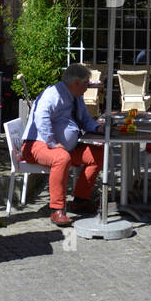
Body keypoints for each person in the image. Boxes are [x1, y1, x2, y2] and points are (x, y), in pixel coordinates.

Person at [20, 63, 105, 227]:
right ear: (76, 83)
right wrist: (51, 142)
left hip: (67, 148)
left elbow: (85, 119)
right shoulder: (53, 94)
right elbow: (40, 116)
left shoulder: (76, 96)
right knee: (62, 158)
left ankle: (80, 200)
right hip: (37, 144)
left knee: (98, 154)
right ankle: (57, 209)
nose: (88, 87)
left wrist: (98, 127)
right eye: (87, 83)